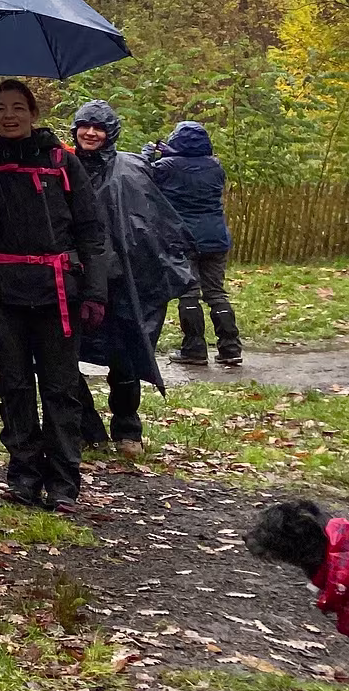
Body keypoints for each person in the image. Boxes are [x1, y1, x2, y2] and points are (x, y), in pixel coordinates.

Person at [0, 79, 117, 511]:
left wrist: (95, 292)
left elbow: (91, 231)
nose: (8, 116)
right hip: (3, 292)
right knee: (13, 385)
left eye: (17, 107)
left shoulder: (62, 162)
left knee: (60, 387)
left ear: (33, 113)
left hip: (57, 292)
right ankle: (23, 474)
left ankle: (64, 480)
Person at [70, 101, 196, 459]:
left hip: (123, 279)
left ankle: (127, 429)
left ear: (110, 132)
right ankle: (87, 428)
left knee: (124, 356)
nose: (90, 133)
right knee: (59, 355)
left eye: (98, 127)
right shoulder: (63, 166)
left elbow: (152, 218)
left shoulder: (132, 168)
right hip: (75, 275)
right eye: (84, 126)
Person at [148, 121, 242, 367]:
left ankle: (194, 349)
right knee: (216, 292)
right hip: (216, 237)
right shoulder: (215, 166)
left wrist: (151, 154)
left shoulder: (165, 167)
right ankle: (230, 348)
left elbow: (145, 175)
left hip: (183, 238)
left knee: (188, 293)